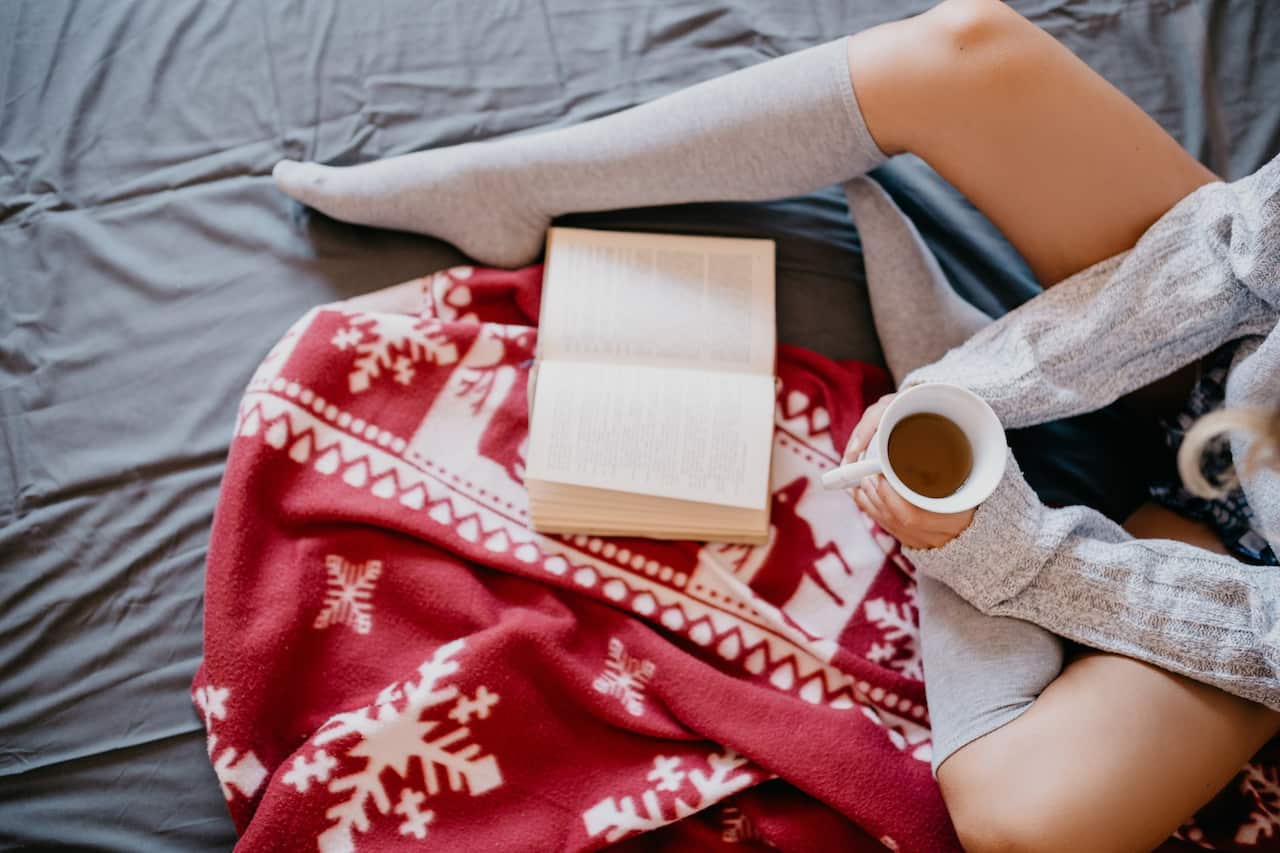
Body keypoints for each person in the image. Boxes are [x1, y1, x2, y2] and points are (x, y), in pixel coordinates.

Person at [271, 0, 1280, 848]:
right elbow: (1226, 256)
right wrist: (987, 375)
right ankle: (508, 188)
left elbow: (1250, 634)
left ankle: (949, 469)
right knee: (962, 51)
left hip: (1242, 578)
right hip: (1226, 347)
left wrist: (1005, 551)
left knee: (1020, 821)